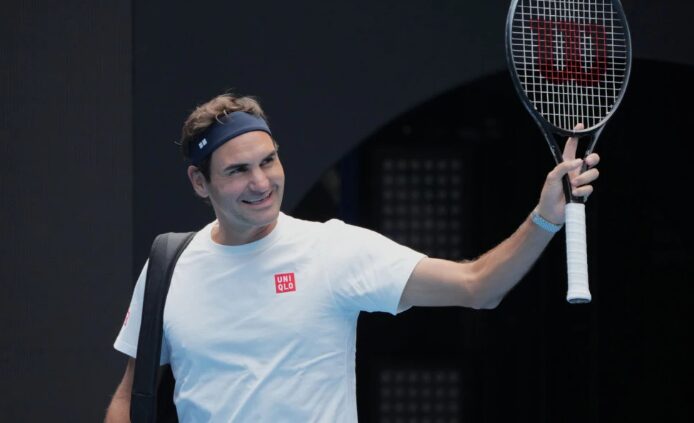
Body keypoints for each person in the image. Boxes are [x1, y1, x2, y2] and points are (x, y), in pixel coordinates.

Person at [104, 93, 600, 422]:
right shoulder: (169, 264)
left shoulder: (333, 250)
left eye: (268, 161)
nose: (261, 182)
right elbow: (129, 395)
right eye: (237, 171)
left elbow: (478, 285)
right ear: (200, 182)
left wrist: (544, 218)